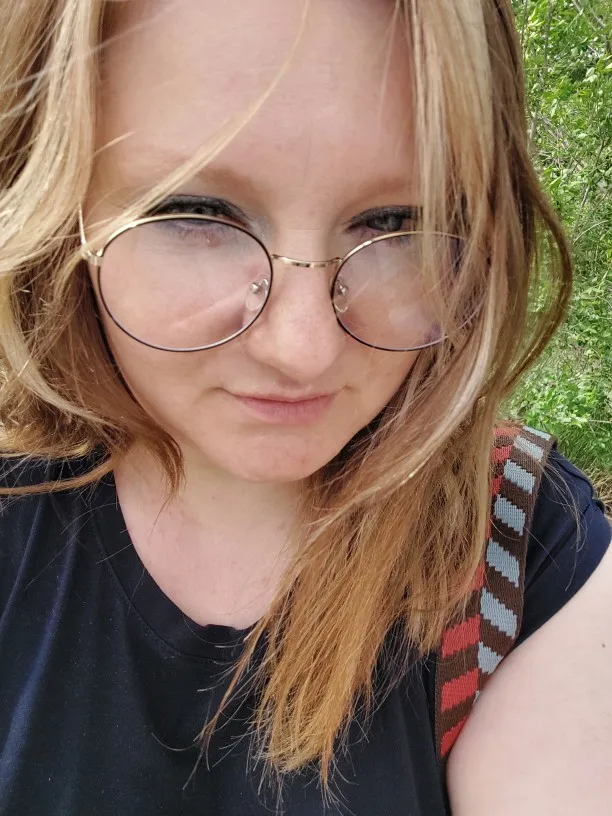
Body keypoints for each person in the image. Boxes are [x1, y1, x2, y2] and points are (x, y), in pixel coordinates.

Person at [0, 0, 610, 813]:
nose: (303, 349)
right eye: (198, 213)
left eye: (397, 223)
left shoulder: (525, 550)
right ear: (56, 203)